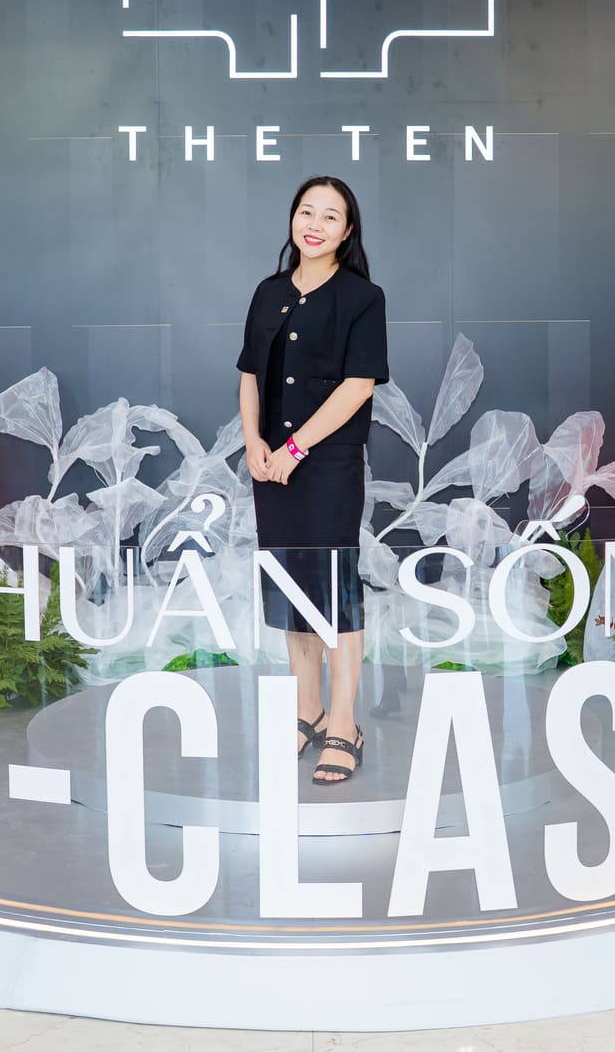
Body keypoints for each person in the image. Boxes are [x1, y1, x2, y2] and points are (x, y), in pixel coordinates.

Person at [236, 176, 388, 785]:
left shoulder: (362, 297)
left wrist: (296, 447)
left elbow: (359, 386)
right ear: (293, 220)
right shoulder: (268, 291)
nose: (315, 224)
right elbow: (250, 375)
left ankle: (345, 722)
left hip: (325, 465)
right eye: (307, 211)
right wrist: (254, 442)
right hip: (270, 464)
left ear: (346, 232)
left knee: (333, 592)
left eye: (330, 216)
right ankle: (309, 710)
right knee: (292, 588)